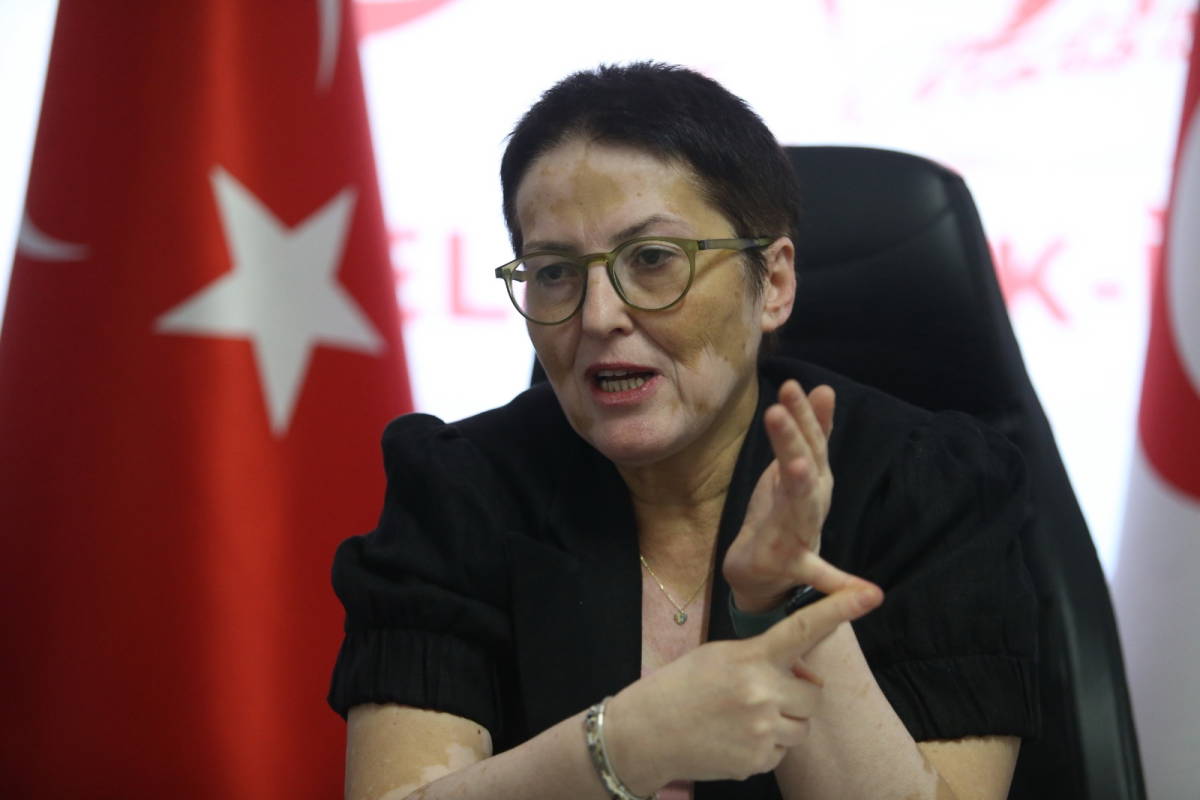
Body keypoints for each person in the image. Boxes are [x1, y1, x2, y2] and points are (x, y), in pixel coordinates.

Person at [328, 62, 1039, 800]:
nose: (598, 316)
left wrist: (784, 597)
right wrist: (624, 745)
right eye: (555, 271)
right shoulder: (461, 488)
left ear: (775, 283)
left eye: (653, 260)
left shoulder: (927, 486)